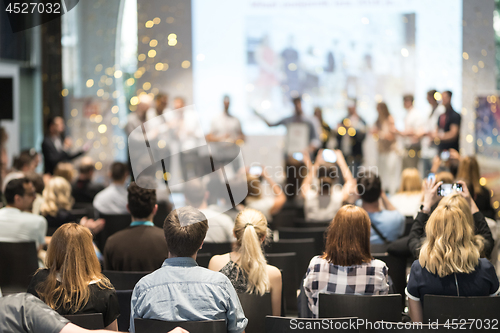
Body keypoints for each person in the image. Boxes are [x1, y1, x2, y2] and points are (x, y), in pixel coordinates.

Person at [130, 206, 248, 333]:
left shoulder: (143, 288)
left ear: (166, 239)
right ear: (201, 243)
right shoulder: (220, 285)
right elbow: (238, 331)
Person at [406, 193, 500, 323]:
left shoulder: (418, 270)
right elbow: (493, 320)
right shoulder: (486, 268)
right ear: (466, 231)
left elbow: (417, 326)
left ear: (432, 231)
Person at [27, 223, 120, 330]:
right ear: (89, 251)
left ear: (54, 248)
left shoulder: (39, 280)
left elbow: (28, 324)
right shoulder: (105, 290)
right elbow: (112, 331)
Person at [303, 205, 390, 318]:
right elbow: (381, 309)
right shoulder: (378, 269)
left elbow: (310, 302)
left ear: (334, 231)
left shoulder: (316, 265)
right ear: (365, 234)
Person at [208, 208, 282, 316]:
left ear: (234, 233)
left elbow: (212, 314)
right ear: (263, 237)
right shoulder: (274, 275)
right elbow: (275, 323)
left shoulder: (216, 263)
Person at [408, 179, 494, 259]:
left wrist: (426, 205)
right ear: (467, 219)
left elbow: (413, 238)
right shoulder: (478, 252)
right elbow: (487, 237)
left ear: (435, 222)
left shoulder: (425, 254)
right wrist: (470, 201)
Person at [103, 182, 168, 271]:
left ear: (128, 208)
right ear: (155, 209)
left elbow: (108, 281)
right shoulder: (168, 241)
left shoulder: (112, 243)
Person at [301, 149, 355, 222]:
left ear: (317, 177)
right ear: (335, 178)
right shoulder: (339, 198)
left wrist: (316, 163)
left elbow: (305, 184)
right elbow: (350, 182)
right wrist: (341, 160)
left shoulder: (308, 196)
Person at [255, 96, 320, 153]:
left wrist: (309, 149)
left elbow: (316, 140)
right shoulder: (289, 120)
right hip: (290, 154)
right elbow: (271, 124)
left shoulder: (310, 121)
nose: (297, 106)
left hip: (306, 155)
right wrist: (259, 115)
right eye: (295, 104)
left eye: (299, 103)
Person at [357, 173, 405, 244]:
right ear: (380, 192)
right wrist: (383, 195)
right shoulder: (396, 219)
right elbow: (396, 213)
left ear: (358, 194)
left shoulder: (352, 221)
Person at [0, 178, 47, 249]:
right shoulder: (38, 222)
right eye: (31, 194)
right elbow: (37, 251)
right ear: (17, 199)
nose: (35, 197)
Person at [456, 156, 495, 220]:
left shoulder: (456, 190)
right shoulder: (484, 192)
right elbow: (491, 214)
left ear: (461, 168)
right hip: (480, 225)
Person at [373, 102, 399, 195]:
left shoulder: (390, 119)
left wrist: (381, 134)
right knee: (381, 174)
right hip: (381, 150)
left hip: (390, 150)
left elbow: (392, 136)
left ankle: (392, 193)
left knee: (391, 172)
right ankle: (382, 194)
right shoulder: (378, 120)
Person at [336, 98, 367, 177]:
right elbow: (339, 135)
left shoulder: (360, 120)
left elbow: (362, 136)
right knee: (343, 176)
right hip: (345, 152)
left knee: (354, 177)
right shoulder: (344, 119)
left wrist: (351, 129)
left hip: (355, 155)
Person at [421, 90, 445, 175]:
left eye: (429, 97)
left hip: (435, 147)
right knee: (425, 174)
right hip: (426, 148)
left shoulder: (441, 110)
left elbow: (439, 129)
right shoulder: (429, 109)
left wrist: (431, 134)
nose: (428, 99)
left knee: (434, 173)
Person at [400, 94, 425, 170]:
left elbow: (419, 132)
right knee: (406, 172)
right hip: (407, 147)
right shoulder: (408, 114)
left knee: (412, 171)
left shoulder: (416, 114)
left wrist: (405, 133)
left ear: (409, 102)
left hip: (413, 148)